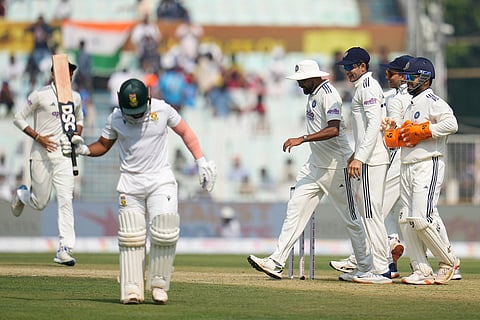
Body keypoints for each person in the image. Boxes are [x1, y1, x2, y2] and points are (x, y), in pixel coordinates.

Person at [60, 78, 216, 304]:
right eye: (130, 112)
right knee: (131, 237)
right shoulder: (115, 117)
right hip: (130, 184)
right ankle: (132, 287)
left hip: (160, 180)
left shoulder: (162, 110)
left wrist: (201, 161)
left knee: (165, 230)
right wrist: (83, 149)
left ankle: (159, 285)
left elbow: (186, 133)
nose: (134, 116)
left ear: (149, 97)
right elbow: (103, 145)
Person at [247, 59, 380, 283]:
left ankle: (366, 266)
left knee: (351, 218)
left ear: (315, 77)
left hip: (337, 166)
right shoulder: (312, 94)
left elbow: (333, 129)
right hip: (315, 165)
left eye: (303, 80)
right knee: (295, 210)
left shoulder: (329, 94)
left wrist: (303, 138)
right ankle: (276, 261)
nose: (300, 84)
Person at [383, 57, 460, 284]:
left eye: (412, 76)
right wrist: (392, 133)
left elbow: (451, 125)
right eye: (407, 76)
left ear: (425, 78)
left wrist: (425, 131)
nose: (408, 80)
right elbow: (403, 136)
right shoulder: (409, 103)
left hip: (428, 163)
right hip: (407, 164)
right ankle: (421, 269)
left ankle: (448, 261)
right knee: (406, 219)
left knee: (420, 218)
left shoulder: (434, 101)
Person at [11, 61, 83, 266]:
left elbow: (80, 122)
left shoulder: (75, 98)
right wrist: (38, 137)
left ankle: (64, 249)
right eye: (64, 71)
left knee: (65, 200)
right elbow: (18, 118)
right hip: (41, 155)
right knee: (40, 203)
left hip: (64, 157)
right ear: (53, 73)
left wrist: (75, 137)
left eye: (71, 72)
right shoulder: (39, 95)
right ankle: (23, 195)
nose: (67, 75)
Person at [333, 47, 392, 283]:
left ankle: (380, 269)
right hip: (370, 157)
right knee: (370, 213)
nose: (347, 71)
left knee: (370, 213)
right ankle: (376, 266)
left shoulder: (367, 87)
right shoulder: (364, 87)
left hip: (372, 159)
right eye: (345, 67)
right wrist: (356, 154)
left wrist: (360, 157)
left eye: (350, 67)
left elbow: (372, 126)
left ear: (363, 67)